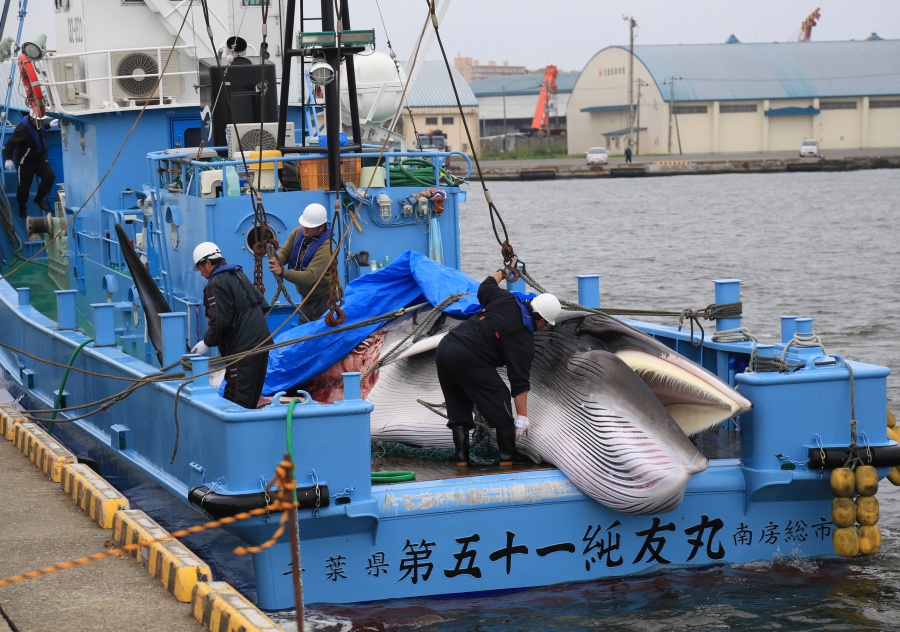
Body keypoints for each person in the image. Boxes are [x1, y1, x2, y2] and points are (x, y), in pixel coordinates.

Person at [435, 270, 561, 467]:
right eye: (545, 325)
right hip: (468, 356)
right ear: (542, 320)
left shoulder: (506, 299)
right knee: (500, 398)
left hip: (445, 348)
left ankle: (461, 462)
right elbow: (519, 382)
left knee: (458, 405)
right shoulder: (523, 338)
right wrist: (522, 417)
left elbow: (485, 286)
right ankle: (508, 458)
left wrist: (503, 272)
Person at [191, 241, 271, 409]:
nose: (202, 274)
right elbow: (263, 304)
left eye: (201, 268)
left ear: (208, 263)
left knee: (235, 402)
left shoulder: (215, 283)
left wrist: (207, 342)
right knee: (250, 399)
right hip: (262, 344)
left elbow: (220, 320)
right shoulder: (238, 273)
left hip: (243, 350)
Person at [268, 202, 339, 322]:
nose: (305, 228)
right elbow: (285, 253)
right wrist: (276, 259)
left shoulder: (327, 247)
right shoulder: (298, 233)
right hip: (307, 298)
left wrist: (282, 272)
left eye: (309, 226)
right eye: (304, 224)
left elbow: (310, 277)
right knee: (305, 334)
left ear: (321, 228)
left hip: (325, 300)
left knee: (323, 335)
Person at [3, 114, 59, 218]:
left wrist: (48, 125)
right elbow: (10, 144)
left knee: (49, 177)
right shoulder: (22, 129)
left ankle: (38, 199)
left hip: (38, 158)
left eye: (43, 121)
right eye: (40, 121)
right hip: (25, 162)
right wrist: (8, 159)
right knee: (24, 188)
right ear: (33, 119)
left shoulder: (38, 125)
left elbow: (39, 131)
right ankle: (22, 208)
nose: (41, 123)